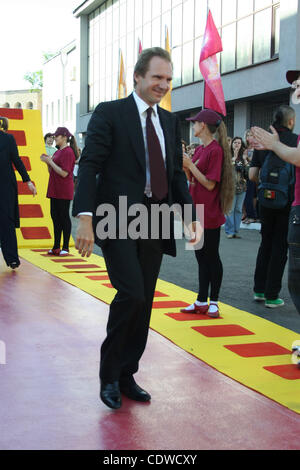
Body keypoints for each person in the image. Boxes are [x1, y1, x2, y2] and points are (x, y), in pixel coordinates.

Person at [72, 47, 201, 410]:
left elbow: (176, 175)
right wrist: (85, 217)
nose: (163, 84)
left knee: (144, 301)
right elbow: (91, 165)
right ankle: (109, 374)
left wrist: (191, 217)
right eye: (157, 77)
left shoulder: (171, 122)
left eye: (168, 79)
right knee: (131, 293)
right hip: (117, 217)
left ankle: (128, 373)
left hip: (156, 219)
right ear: (139, 78)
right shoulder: (110, 113)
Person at [252, 80, 300, 316]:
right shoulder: (295, 139)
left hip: (265, 201)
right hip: (287, 202)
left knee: (265, 243)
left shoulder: (264, 139)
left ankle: (258, 290)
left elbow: (252, 174)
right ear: (291, 121)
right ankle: (272, 295)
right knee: (281, 247)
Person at [181, 109, 234, 318]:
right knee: (200, 257)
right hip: (195, 211)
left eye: (195, 123)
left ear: (203, 125)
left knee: (211, 256)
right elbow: (195, 180)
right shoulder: (202, 149)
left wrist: (189, 165)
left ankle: (215, 301)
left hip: (209, 212)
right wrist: (187, 167)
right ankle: (201, 300)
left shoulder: (215, 150)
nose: (192, 126)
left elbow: (210, 185)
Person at [0, 116, 37, 268]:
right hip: (6, 186)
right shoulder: (8, 139)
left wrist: (28, 181)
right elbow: (17, 161)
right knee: (6, 222)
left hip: (5, 187)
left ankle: (12, 259)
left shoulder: (8, 139)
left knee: (6, 221)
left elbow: (17, 160)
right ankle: (12, 259)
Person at [40, 127, 78, 256]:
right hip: (54, 189)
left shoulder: (68, 152)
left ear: (64, 137)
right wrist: (48, 163)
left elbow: (64, 173)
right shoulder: (57, 152)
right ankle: (56, 246)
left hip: (63, 190)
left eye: (57, 136)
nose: (54, 138)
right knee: (55, 217)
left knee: (63, 217)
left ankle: (65, 247)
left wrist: (50, 161)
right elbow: (52, 171)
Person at [225, 137, 248, 238]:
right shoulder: (227, 156)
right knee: (230, 210)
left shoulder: (243, 158)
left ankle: (236, 231)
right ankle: (230, 232)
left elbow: (247, 174)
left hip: (241, 188)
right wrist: (233, 158)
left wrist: (246, 162)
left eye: (239, 143)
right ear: (232, 144)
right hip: (230, 188)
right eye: (235, 142)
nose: (237, 144)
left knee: (238, 210)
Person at [243, 129, 258, 224]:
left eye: (251, 135)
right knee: (248, 195)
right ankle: (248, 214)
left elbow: (254, 161)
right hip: (246, 174)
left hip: (255, 174)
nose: (249, 137)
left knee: (254, 195)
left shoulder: (257, 148)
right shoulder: (245, 149)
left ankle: (253, 215)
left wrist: (247, 158)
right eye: (247, 135)